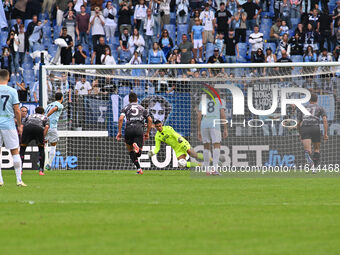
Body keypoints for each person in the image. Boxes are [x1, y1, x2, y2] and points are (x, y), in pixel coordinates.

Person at [116, 92, 152, 175]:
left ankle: (139, 169)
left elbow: (121, 119)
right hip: (139, 129)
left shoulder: (125, 108)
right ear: (137, 99)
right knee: (138, 154)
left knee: (130, 150)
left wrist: (119, 132)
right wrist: (147, 132)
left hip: (128, 129)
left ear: (129, 100)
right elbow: (150, 120)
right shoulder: (142, 108)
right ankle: (137, 149)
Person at [0, 69, 25, 186]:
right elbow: (17, 110)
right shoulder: (12, 91)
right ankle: (19, 180)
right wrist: (19, 125)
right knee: (15, 151)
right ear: (8, 77)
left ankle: (0, 180)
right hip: (9, 125)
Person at [197, 94, 228, 174]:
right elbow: (222, 114)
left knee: (206, 146)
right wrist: (225, 128)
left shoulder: (203, 102)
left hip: (204, 124)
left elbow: (199, 116)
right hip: (215, 124)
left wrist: (199, 130)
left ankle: (207, 170)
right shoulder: (220, 101)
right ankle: (214, 169)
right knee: (216, 145)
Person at [297, 93, 328, 168]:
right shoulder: (320, 107)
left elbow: (298, 123)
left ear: (309, 100)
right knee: (316, 149)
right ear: (317, 100)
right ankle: (315, 167)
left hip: (305, 128)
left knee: (308, 150)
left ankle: (309, 159)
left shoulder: (303, 108)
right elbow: (324, 120)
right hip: (315, 128)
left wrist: (300, 134)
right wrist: (325, 134)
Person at [19, 106, 49, 176]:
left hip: (28, 128)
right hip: (38, 129)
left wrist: (22, 135)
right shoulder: (45, 117)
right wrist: (43, 136)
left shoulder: (29, 116)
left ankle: (20, 170)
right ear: (43, 112)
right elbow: (47, 127)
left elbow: (22, 125)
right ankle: (41, 170)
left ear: (35, 111)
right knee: (41, 149)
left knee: (23, 148)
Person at [44, 92, 64, 171]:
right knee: (53, 145)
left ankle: (41, 161)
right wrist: (47, 115)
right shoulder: (60, 105)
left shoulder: (49, 104)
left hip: (45, 127)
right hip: (52, 127)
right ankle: (48, 164)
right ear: (62, 98)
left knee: (44, 144)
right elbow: (54, 109)